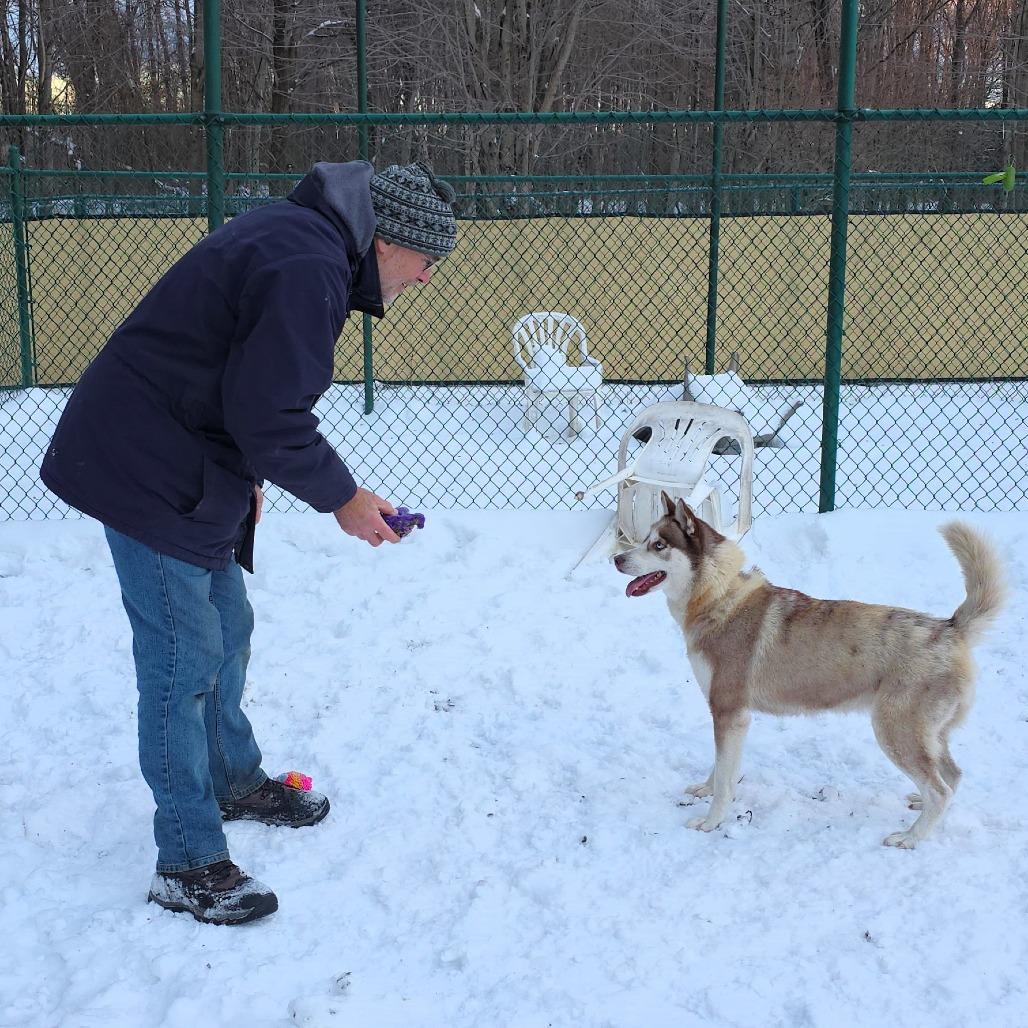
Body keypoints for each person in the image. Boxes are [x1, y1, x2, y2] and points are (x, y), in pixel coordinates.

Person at [39, 160, 458, 925]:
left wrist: (252, 474)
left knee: (227, 628)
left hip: (186, 456)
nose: (427, 279)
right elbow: (270, 414)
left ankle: (232, 780)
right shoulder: (308, 265)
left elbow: (239, 376)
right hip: (145, 467)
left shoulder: (307, 245)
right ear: (387, 242)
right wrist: (344, 499)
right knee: (181, 661)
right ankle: (187, 861)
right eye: (427, 261)